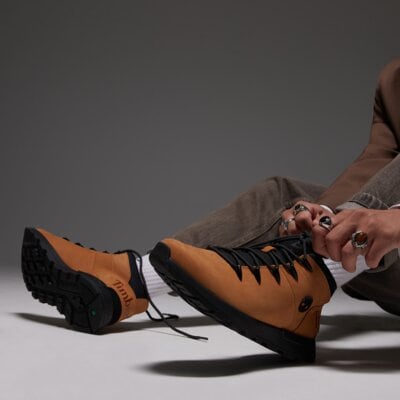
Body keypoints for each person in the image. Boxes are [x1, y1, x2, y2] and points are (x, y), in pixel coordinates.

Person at [21, 58, 400, 363]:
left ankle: (308, 282)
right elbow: (376, 159)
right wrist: (323, 216)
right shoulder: (393, 78)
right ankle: (132, 281)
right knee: (281, 195)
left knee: (345, 227)